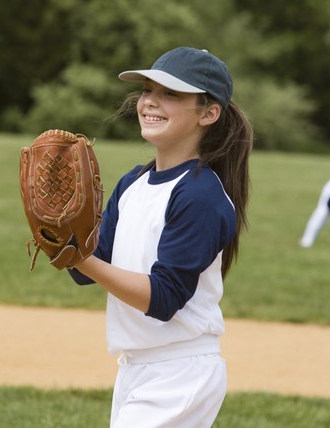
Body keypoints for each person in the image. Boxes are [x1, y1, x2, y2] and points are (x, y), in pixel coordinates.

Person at [67, 47, 252, 427]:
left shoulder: (199, 194)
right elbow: (89, 269)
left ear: (209, 113)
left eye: (171, 93)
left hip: (180, 371)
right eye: (149, 90)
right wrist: (65, 239)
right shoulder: (132, 183)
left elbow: (164, 297)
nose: (151, 101)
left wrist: (80, 257)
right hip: (138, 366)